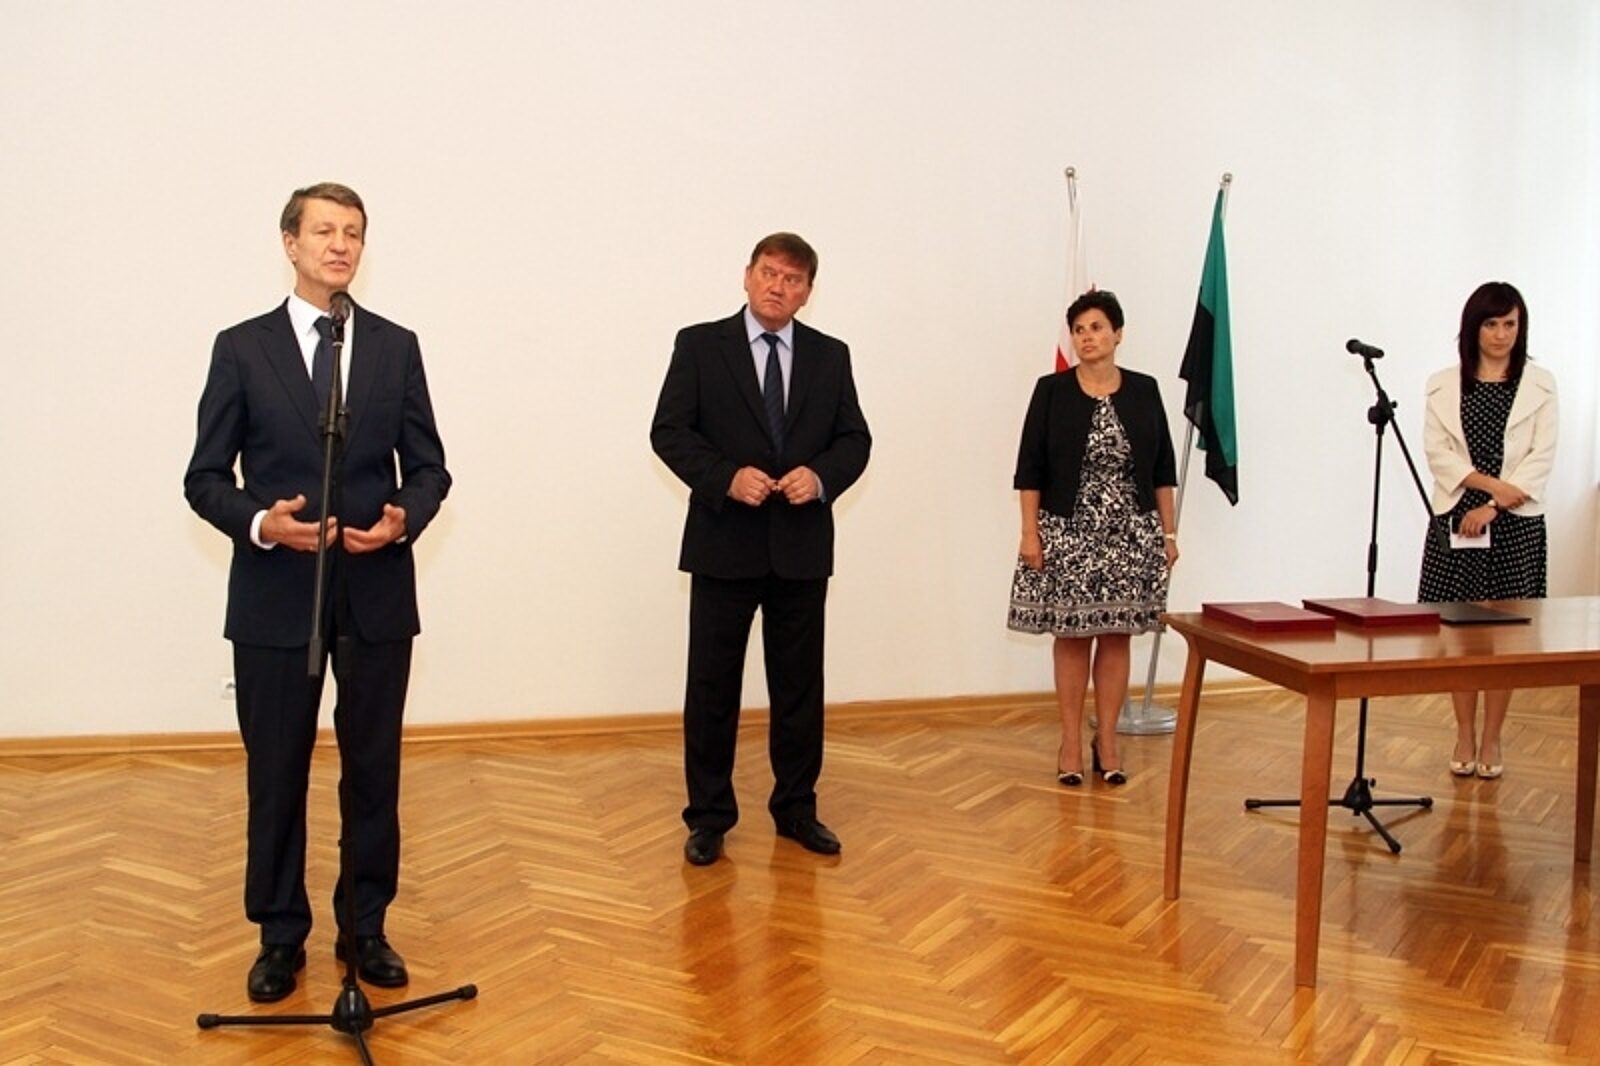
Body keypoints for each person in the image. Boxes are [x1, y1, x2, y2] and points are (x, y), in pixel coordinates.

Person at [184, 183, 451, 1002]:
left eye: (354, 233)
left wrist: (402, 519)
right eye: (325, 231)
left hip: (375, 590)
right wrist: (262, 523)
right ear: (290, 243)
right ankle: (278, 935)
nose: (341, 245)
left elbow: (430, 467)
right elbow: (204, 478)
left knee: (373, 768)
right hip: (275, 596)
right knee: (277, 770)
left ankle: (365, 927)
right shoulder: (242, 348)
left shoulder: (396, 347)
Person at [651, 233, 872, 866]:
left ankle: (797, 808)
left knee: (799, 687)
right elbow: (669, 431)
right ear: (747, 276)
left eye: (792, 279)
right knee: (712, 687)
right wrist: (725, 477)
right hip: (724, 543)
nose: (778, 286)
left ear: (807, 292)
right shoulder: (700, 345)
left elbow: (855, 440)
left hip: (801, 548)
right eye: (769, 273)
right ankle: (709, 817)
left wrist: (820, 477)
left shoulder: (831, 356)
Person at [1009, 290, 1179, 786]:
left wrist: (1168, 533)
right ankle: (1069, 743)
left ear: (1118, 334)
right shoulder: (1051, 391)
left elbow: (1163, 469)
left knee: (1116, 635)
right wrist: (1029, 533)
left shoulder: (1145, 390)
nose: (1087, 337)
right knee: (1071, 637)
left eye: (1097, 327)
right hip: (1067, 532)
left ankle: (1107, 741)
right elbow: (1029, 469)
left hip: (1130, 534)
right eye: (1079, 330)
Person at [1418, 281, 1556, 781]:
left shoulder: (1540, 384)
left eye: (1510, 324)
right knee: (1460, 634)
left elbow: (1541, 457)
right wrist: (1486, 488)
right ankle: (1464, 733)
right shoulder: (1443, 384)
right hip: (1458, 514)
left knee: (1504, 637)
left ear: (1521, 327)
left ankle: (1493, 736)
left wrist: (1495, 504)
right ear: (1473, 328)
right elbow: (1438, 454)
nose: (1501, 334)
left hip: (1515, 522)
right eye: (1491, 324)